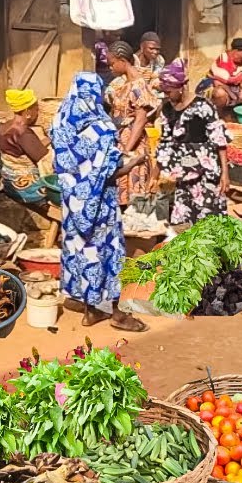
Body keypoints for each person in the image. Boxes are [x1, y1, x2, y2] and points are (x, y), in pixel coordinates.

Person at [52, 72, 147, 333]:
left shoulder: (61, 123)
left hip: (73, 206)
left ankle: (90, 311)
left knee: (82, 252)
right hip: (100, 205)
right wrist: (136, 162)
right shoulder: (102, 130)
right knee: (109, 253)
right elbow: (110, 173)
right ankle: (118, 313)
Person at [156, 59, 230, 226]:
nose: (166, 96)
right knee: (183, 220)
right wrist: (155, 175)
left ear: (181, 87)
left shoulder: (203, 107)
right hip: (183, 174)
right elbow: (164, 144)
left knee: (208, 219)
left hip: (206, 172)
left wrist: (225, 174)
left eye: (169, 92)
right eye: (164, 92)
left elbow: (219, 140)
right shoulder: (167, 110)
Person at [104, 41, 158, 206]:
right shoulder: (122, 83)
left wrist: (127, 150)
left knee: (133, 189)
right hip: (121, 140)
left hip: (133, 144)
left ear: (122, 60)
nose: (110, 68)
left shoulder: (138, 85)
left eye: (112, 63)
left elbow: (140, 120)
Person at [0, 88, 56, 202]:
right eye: (36, 109)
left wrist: (49, 139)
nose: (38, 113)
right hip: (21, 187)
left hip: (7, 179)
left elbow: (31, 147)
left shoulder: (5, 126)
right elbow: (45, 159)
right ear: (27, 112)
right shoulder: (23, 133)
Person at [210, 38, 242, 111]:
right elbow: (218, 82)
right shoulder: (223, 60)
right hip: (222, 88)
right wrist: (233, 96)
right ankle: (219, 114)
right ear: (236, 51)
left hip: (234, 89)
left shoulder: (239, 61)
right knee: (220, 94)